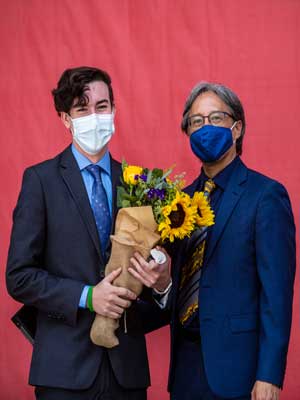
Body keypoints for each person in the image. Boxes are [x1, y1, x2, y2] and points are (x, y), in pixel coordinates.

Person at [6, 66, 170, 400]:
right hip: (64, 373)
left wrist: (163, 283)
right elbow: (19, 277)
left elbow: (156, 280)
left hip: (128, 373)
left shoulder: (143, 185)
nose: (94, 116)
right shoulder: (41, 181)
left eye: (102, 106)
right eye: (82, 108)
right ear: (66, 118)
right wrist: (88, 296)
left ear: (114, 111)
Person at [167, 82, 296, 400]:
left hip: (240, 373)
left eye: (215, 118)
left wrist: (269, 374)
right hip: (185, 368)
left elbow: (276, 295)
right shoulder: (178, 204)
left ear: (236, 129)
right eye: (196, 121)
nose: (205, 128)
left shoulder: (265, 196)